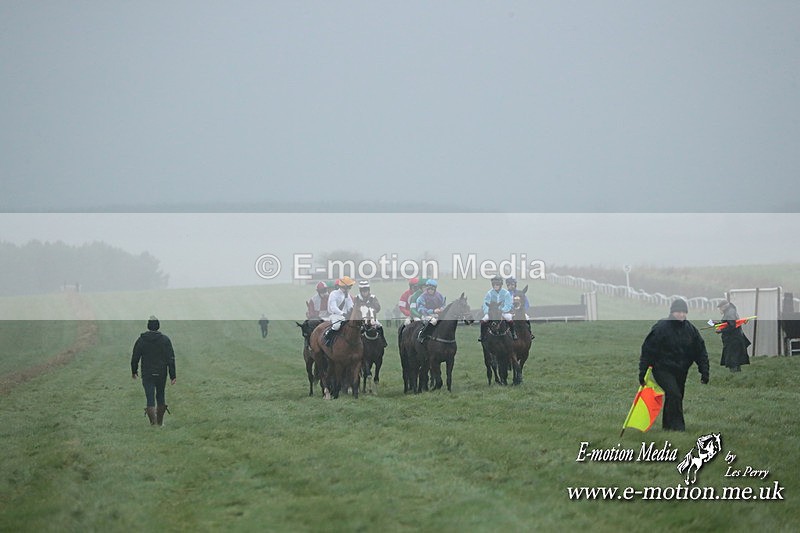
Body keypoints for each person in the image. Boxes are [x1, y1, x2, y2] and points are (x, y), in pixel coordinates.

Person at [639, 299, 709, 431]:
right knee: (674, 394)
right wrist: (642, 372)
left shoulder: (691, 330)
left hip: (681, 370)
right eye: (678, 312)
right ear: (672, 312)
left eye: (684, 312)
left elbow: (700, 351)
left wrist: (704, 371)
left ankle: (668, 427)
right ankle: (678, 427)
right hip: (662, 368)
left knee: (676, 397)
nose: (681, 315)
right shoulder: (661, 328)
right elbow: (648, 350)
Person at [131, 316, 176, 427]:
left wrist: (134, 370)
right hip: (161, 372)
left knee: (149, 397)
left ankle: (153, 423)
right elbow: (171, 358)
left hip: (147, 373)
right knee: (160, 395)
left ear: (148, 326)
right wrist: (172, 375)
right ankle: (160, 423)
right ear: (158, 326)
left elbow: (135, 357)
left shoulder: (141, 340)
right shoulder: (165, 340)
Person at [716, 300, 751, 372]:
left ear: (724, 306)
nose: (720, 309)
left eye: (720, 308)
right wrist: (719, 324)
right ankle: (737, 375)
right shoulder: (731, 311)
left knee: (732, 360)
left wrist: (721, 330)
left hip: (733, 339)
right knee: (735, 359)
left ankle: (734, 375)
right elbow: (729, 323)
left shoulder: (729, 313)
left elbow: (732, 326)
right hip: (735, 339)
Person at [481, 275, 516, 340]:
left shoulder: (506, 293)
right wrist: (487, 311)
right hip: (492, 312)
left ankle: (513, 334)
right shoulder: (489, 293)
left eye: (497, 284)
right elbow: (485, 304)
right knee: (483, 320)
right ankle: (482, 335)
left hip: (503, 312)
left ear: (500, 285)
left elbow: (508, 304)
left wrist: (502, 310)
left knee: (509, 319)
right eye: (494, 284)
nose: (495, 286)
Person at [354, 279, 388, 347]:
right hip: (361, 318)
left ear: (368, 290)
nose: (365, 292)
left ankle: (383, 340)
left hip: (371, 318)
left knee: (379, 326)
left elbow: (378, 307)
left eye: (366, 290)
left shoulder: (373, 297)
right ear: (360, 290)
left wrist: (372, 306)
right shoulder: (356, 298)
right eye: (363, 290)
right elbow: (354, 308)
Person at [324, 276, 355, 346]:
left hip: (345, 316)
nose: (350, 288)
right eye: (349, 286)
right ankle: (328, 339)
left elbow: (350, 306)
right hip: (335, 315)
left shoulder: (348, 295)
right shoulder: (334, 294)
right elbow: (333, 307)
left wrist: (352, 313)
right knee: (336, 326)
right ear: (345, 287)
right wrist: (342, 313)